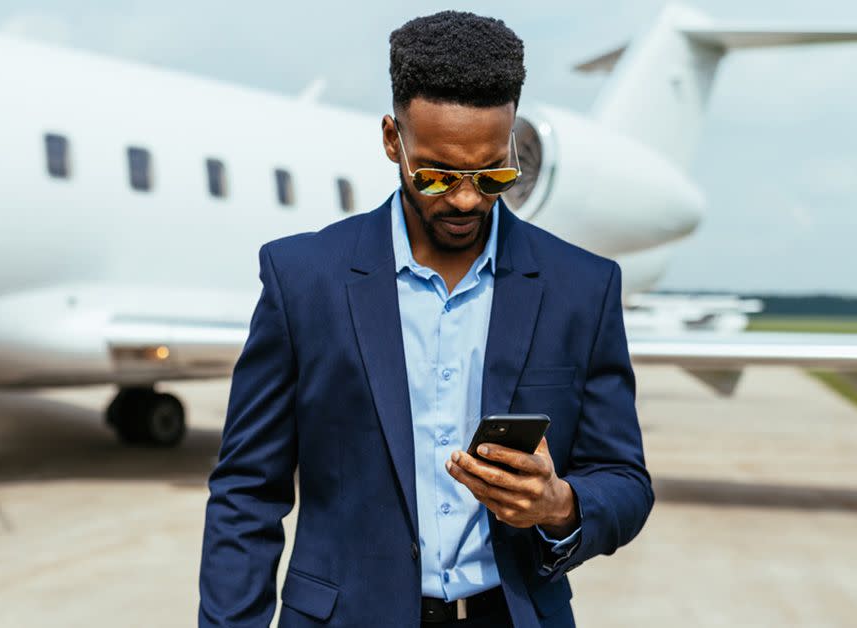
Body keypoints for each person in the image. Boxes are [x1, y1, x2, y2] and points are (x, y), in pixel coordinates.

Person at [199, 10, 653, 627]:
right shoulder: (303, 279)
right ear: (393, 139)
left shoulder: (583, 287)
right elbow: (246, 494)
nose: (466, 198)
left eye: (493, 173)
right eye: (438, 175)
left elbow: (624, 479)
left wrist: (560, 504)